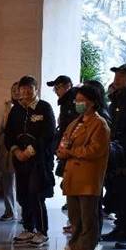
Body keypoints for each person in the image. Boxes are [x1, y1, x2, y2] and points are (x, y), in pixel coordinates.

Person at [55, 85, 110, 250]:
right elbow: (64, 141)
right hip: (72, 176)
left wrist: (71, 151)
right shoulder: (75, 122)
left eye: (81, 100)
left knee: (88, 220)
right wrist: (61, 151)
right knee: (75, 219)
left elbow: (96, 150)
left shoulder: (100, 124)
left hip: (88, 177)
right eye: (76, 100)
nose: (77, 103)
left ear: (92, 102)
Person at [5, 76, 56, 248]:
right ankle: (28, 228)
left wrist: (30, 151)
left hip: (39, 161)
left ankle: (42, 232)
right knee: (23, 195)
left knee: (37, 194)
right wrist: (16, 151)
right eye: (23, 88)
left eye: (29, 88)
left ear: (36, 89)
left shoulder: (44, 107)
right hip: (20, 160)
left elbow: (48, 134)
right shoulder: (16, 110)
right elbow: (9, 134)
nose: (26, 91)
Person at [101, 64, 126, 249]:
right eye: (116, 75)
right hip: (115, 153)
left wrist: (124, 148)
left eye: (122, 76)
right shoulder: (116, 99)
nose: (117, 78)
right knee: (117, 192)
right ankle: (119, 228)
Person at [47, 75, 78, 212]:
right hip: (66, 147)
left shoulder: (73, 101)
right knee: (68, 179)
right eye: (55, 88)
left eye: (58, 87)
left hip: (72, 149)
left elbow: (71, 128)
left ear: (68, 86)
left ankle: (74, 207)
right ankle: (71, 205)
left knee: (71, 179)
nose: (56, 91)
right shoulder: (66, 102)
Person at [0, 82, 20, 221]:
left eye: (18, 90)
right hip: (5, 144)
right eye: (13, 90)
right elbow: (2, 126)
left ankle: (25, 213)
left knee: (20, 181)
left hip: (19, 144)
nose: (15, 92)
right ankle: (9, 210)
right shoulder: (8, 105)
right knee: (7, 178)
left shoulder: (25, 108)